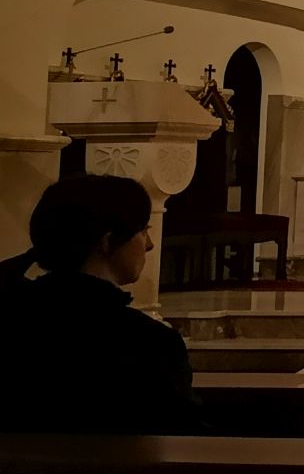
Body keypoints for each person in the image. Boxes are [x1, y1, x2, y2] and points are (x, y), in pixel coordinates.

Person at [0, 175, 204, 436]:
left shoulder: (11, 319)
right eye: (143, 231)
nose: (150, 244)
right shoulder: (148, 342)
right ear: (107, 242)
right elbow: (183, 431)